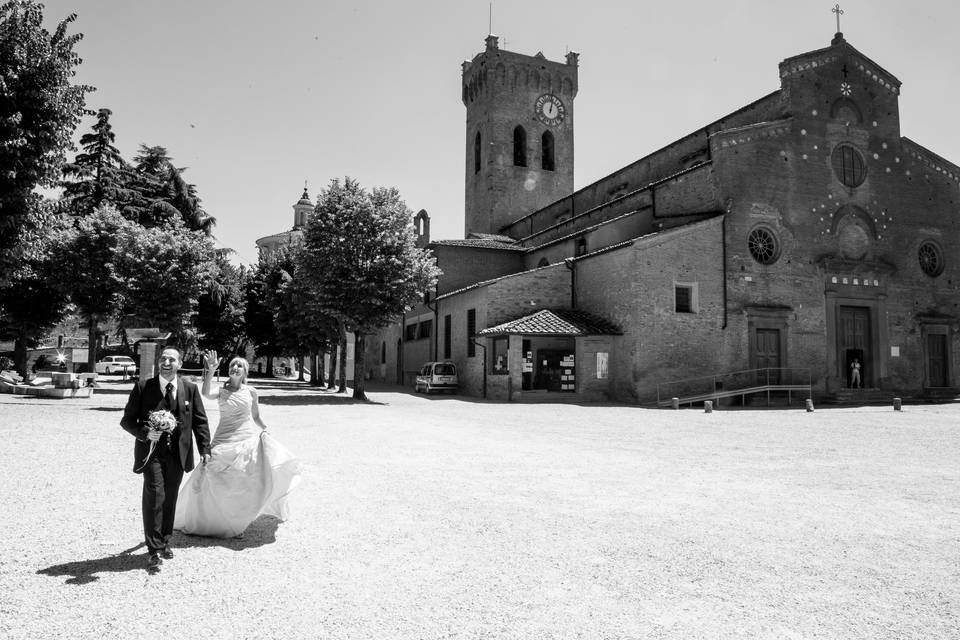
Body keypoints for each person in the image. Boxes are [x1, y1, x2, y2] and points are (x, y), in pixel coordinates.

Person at [174, 351, 301, 539]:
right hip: (222, 440)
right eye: (233, 364)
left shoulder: (251, 391)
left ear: (245, 371)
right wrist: (211, 370)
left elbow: (255, 416)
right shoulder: (221, 390)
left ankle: (236, 521)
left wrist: (265, 428)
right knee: (211, 476)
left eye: (239, 365)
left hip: (245, 440)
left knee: (242, 480)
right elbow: (206, 392)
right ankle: (209, 520)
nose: (235, 367)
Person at [121, 346, 210, 575]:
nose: (166, 362)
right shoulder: (144, 387)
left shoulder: (189, 388)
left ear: (179, 364)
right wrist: (144, 433)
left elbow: (200, 421)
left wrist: (205, 449)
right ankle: (153, 549)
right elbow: (127, 420)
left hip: (178, 455)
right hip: (151, 454)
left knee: (169, 497)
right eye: (163, 358)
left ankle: (165, 540)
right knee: (155, 495)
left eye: (171, 359)